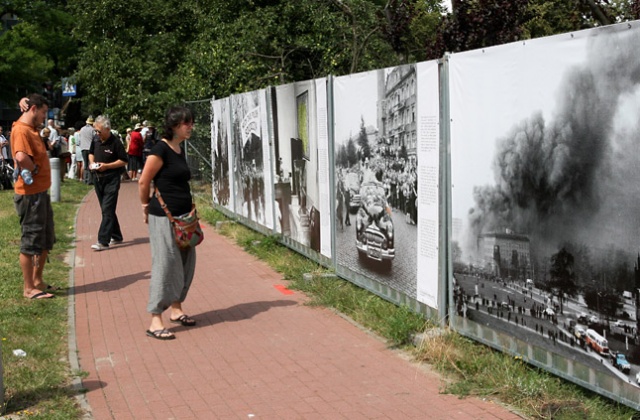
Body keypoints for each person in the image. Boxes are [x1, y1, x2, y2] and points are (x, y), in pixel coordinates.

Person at [138, 106, 196, 340]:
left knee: (185, 263)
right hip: (164, 217)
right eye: (186, 123)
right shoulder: (159, 149)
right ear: (174, 125)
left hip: (184, 218)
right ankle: (155, 319)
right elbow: (144, 181)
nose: (190, 126)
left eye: (191, 122)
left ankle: (176, 308)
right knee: (165, 264)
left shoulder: (179, 148)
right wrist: (144, 207)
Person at [11, 93, 57, 299]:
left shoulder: (30, 128)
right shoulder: (21, 130)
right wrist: (35, 168)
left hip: (40, 193)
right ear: (33, 109)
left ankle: (38, 280)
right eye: (44, 112)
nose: (44, 117)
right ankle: (29, 288)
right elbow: (21, 156)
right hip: (30, 196)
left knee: (45, 239)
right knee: (30, 241)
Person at [88, 115, 128, 251]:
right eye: (95, 131)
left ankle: (103, 241)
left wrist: (107, 166)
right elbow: (91, 153)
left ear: (107, 129)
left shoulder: (116, 143)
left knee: (107, 208)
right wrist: (92, 163)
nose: (97, 134)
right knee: (107, 209)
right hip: (98, 178)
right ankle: (116, 235)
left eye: (99, 131)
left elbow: (123, 160)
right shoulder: (95, 140)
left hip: (112, 178)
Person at [78, 117, 95, 184]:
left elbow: (79, 140)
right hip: (90, 148)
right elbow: (94, 139)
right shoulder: (92, 130)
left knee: (85, 164)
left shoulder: (82, 129)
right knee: (90, 164)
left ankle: (85, 179)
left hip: (83, 148)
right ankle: (90, 180)